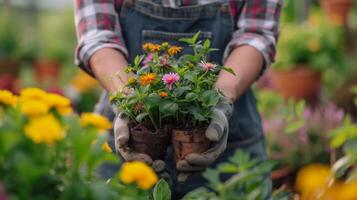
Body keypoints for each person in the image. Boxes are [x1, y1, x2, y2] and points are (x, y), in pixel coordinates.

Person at [74, 0, 282, 198]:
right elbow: (98, 37)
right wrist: (130, 103)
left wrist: (219, 100)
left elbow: (256, 33)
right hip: (126, 138)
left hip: (231, 142)